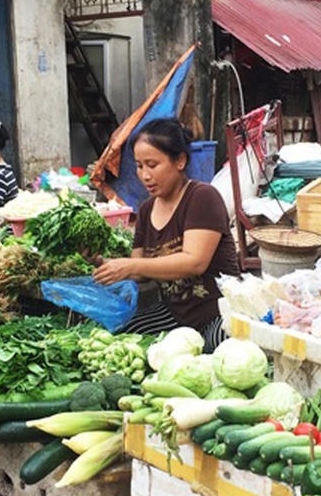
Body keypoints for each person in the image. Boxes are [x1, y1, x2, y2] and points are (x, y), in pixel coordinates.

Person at [92, 118, 239, 352]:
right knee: (118, 341)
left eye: (152, 164)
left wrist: (130, 266)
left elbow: (195, 262)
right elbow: (139, 271)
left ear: (180, 161)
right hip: (176, 315)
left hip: (216, 312)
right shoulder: (147, 209)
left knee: (224, 348)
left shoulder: (202, 197)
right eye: (139, 166)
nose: (145, 175)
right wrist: (104, 264)